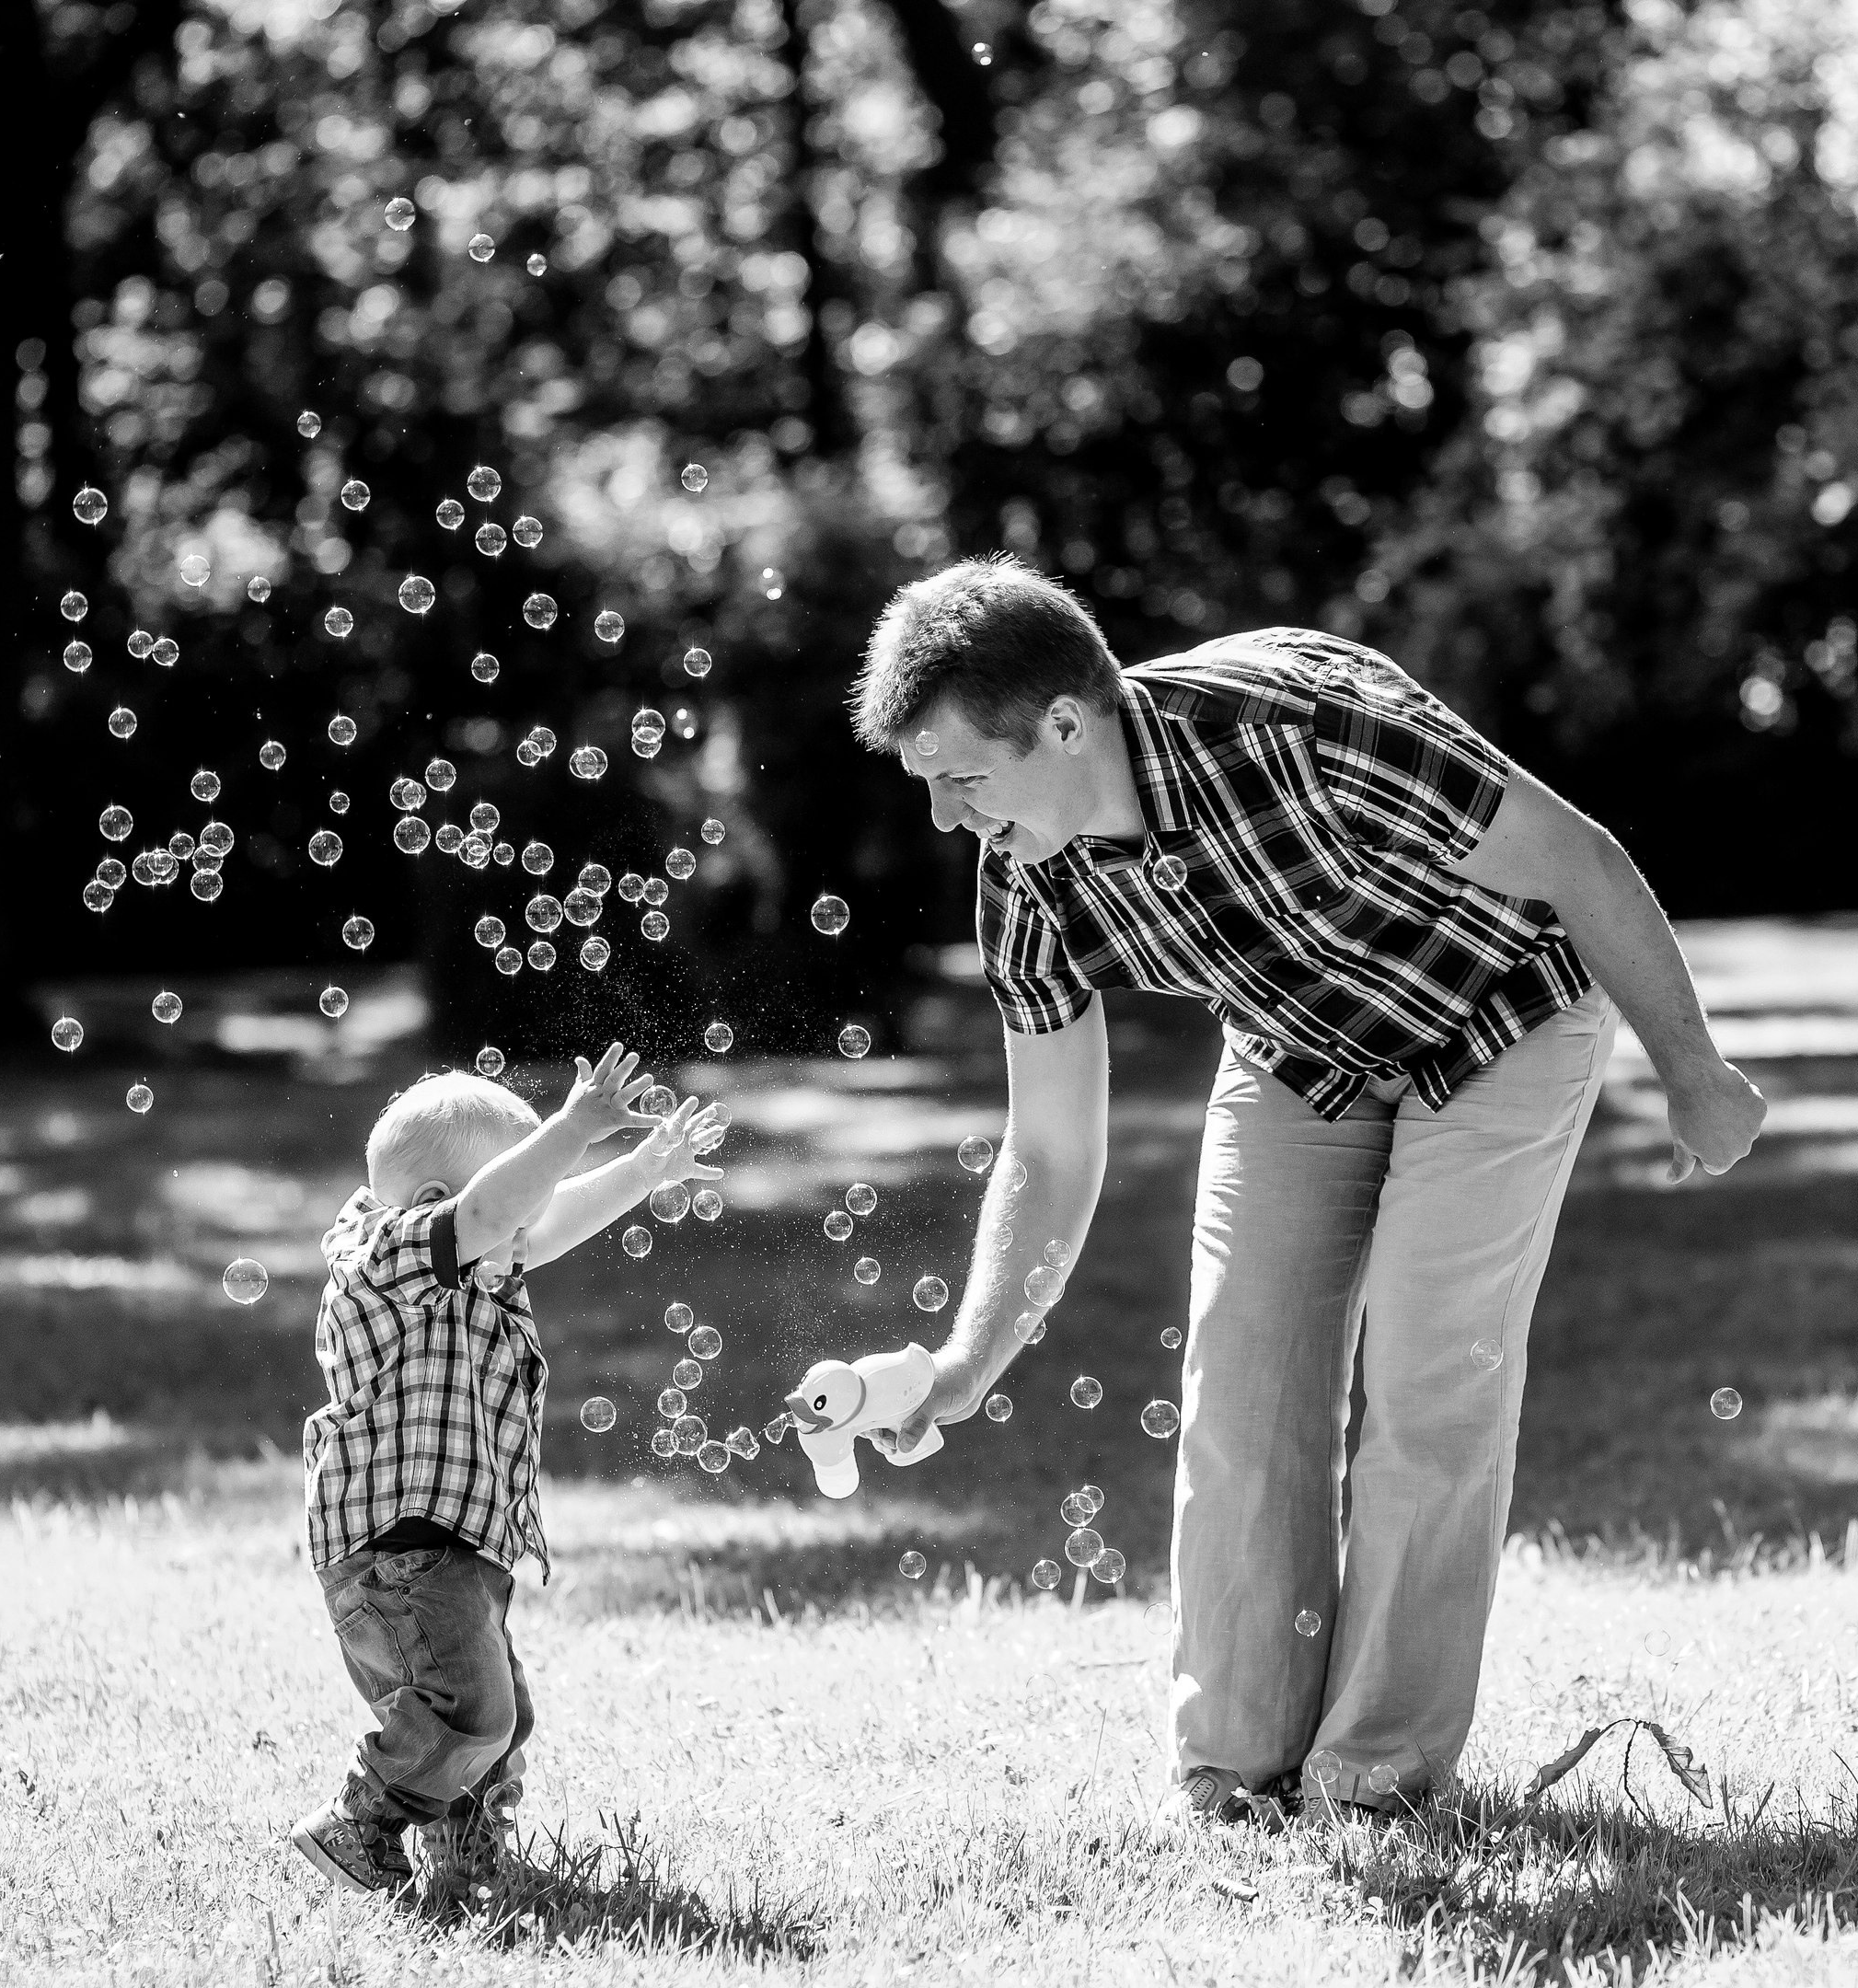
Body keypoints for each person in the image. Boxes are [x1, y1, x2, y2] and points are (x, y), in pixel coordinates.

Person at [849, 557, 1765, 1823]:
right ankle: (1234, 1762)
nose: (949, 821)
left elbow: (1580, 859)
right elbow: (1050, 1150)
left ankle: (1374, 1777)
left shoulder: (1303, 736)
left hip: (1500, 1015)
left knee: (1431, 1373)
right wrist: (965, 1360)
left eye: (962, 779)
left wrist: (1692, 1065)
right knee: (1243, 1379)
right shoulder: (1025, 870)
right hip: (1299, 1051)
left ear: (1066, 723)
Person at [290, 1045, 724, 1895]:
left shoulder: (482, 1265)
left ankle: (465, 1859)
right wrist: (575, 1125)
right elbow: (495, 1208)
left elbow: (536, 1217)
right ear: (431, 1204)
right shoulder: (389, 1257)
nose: (529, 1234)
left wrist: (642, 1168)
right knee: (471, 1709)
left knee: (502, 1718)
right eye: (515, 1209)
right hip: (397, 1552)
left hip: (452, 1550)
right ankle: (357, 1820)